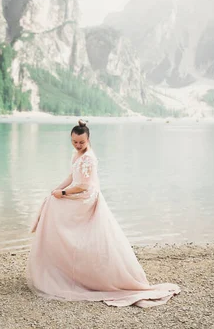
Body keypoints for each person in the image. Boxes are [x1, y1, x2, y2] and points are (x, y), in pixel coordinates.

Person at [27, 119, 180, 307]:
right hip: (79, 192)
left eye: (81, 142)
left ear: (88, 139)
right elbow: (71, 176)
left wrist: (63, 193)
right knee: (52, 202)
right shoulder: (77, 155)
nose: (78, 145)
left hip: (86, 197)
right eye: (74, 142)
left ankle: (71, 266)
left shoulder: (88, 158)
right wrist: (56, 190)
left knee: (58, 211)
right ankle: (59, 264)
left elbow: (83, 184)